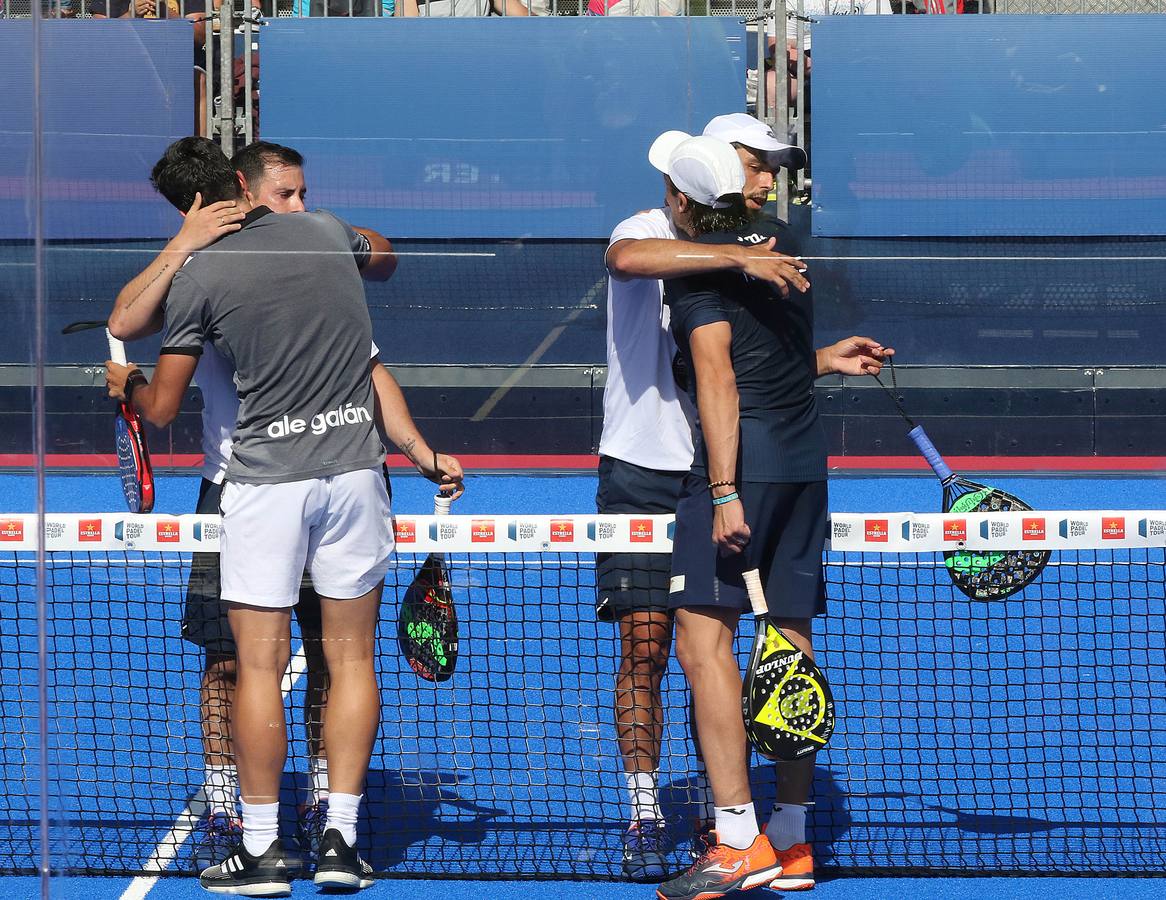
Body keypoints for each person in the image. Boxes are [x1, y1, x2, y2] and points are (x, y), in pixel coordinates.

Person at [106, 137, 463, 895]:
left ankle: (263, 847)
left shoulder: (205, 277)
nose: (299, 203)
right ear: (240, 188)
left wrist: (126, 386)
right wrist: (416, 450)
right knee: (349, 659)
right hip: (354, 479)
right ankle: (341, 842)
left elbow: (158, 402)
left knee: (259, 666)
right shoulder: (327, 238)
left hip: (264, 490)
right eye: (287, 192)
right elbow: (374, 281)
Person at [646, 132, 891, 900]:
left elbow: (719, 380)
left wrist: (722, 491)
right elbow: (774, 362)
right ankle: (791, 837)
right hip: (802, 462)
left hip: (740, 467)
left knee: (703, 644)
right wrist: (824, 361)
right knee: (789, 637)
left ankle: (736, 840)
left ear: (681, 201)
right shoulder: (784, 247)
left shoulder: (695, 275)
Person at [597, 125, 812, 882]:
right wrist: (736, 256)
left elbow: (745, 366)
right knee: (648, 646)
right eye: (756, 167)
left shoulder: (761, 243)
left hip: (718, 470)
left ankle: (728, 818)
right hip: (643, 469)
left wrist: (820, 358)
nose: (764, 183)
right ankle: (644, 809)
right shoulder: (649, 230)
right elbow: (628, 260)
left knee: (717, 650)